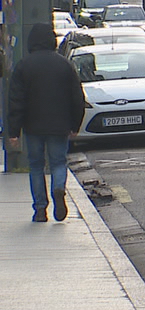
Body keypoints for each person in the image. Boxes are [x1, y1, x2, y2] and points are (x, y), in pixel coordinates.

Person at [7, 23, 86, 222]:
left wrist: (13, 132)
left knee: (36, 165)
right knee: (58, 162)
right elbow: (77, 97)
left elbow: (16, 101)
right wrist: (75, 125)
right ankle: (58, 188)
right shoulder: (64, 65)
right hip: (59, 126)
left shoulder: (24, 65)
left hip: (33, 126)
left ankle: (40, 209)